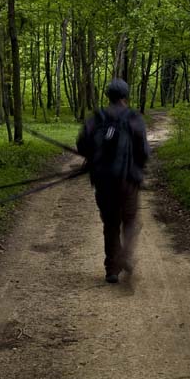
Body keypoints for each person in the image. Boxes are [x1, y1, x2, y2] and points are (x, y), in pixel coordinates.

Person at [76, 78, 150, 283]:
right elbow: (143, 151)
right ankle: (126, 256)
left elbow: (82, 145)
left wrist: (96, 158)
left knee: (110, 224)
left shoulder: (96, 118)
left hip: (103, 182)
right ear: (125, 96)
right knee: (130, 221)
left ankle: (111, 269)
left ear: (107, 95)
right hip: (128, 181)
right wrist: (138, 169)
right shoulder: (134, 118)